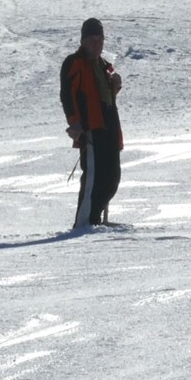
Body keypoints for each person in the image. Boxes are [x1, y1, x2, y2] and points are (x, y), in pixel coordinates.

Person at [60, 18, 123, 228]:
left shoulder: (105, 66)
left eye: (100, 39)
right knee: (95, 179)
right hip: (91, 129)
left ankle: (94, 220)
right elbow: (68, 94)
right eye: (93, 39)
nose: (98, 44)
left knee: (112, 177)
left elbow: (104, 97)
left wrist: (116, 85)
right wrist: (74, 122)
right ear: (84, 41)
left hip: (109, 128)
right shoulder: (74, 62)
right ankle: (85, 223)